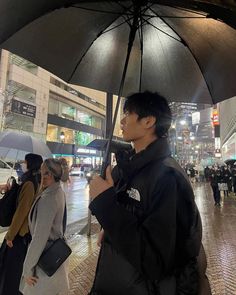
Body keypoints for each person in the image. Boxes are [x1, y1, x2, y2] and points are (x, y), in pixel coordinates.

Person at [88, 91, 205, 295]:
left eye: (128, 114)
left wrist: (107, 207)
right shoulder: (127, 168)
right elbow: (131, 222)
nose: (122, 121)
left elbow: (155, 260)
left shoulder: (168, 177)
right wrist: (109, 227)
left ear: (149, 121)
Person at [20, 158, 69, 295]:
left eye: (47, 173)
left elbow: (39, 238)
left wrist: (27, 268)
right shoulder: (57, 191)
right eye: (42, 172)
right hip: (53, 254)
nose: (43, 176)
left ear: (54, 175)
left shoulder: (49, 199)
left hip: (43, 260)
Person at [0, 153, 43, 295]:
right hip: (21, 233)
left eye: (25, 162)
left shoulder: (30, 183)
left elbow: (22, 211)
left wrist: (10, 235)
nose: (22, 164)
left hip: (20, 234)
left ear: (30, 164)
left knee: (11, 271)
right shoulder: (30, 180)